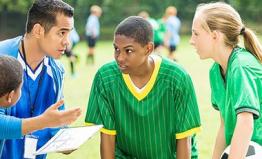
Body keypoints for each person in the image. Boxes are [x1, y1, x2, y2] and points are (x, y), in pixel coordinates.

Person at [85, 16, 201, 159]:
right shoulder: (105, 77)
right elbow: (107, 137)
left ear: (148, 49)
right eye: (116, 49)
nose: (119, 57)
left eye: (128, 50)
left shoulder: (177, 78)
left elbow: (184, 138)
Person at [0, 0, 80, 159]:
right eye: (61, 33)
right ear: (38, 30)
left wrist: (65, 140)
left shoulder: (57, 71)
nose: (67, 42)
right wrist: (43, 121)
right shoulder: (2, 58)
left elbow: (55, 124)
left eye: (69, 33)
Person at [190, 2, 262, 159]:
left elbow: (245, 123)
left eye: (196, 34)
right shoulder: (215, 72)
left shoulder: (241, 66)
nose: (191, 40)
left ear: (214, 35)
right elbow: (224, 127)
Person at [0, 55, 81, 157]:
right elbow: (3, 126)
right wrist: (45, 121)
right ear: (10, 96)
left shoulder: (55, 71)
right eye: (20, 88)